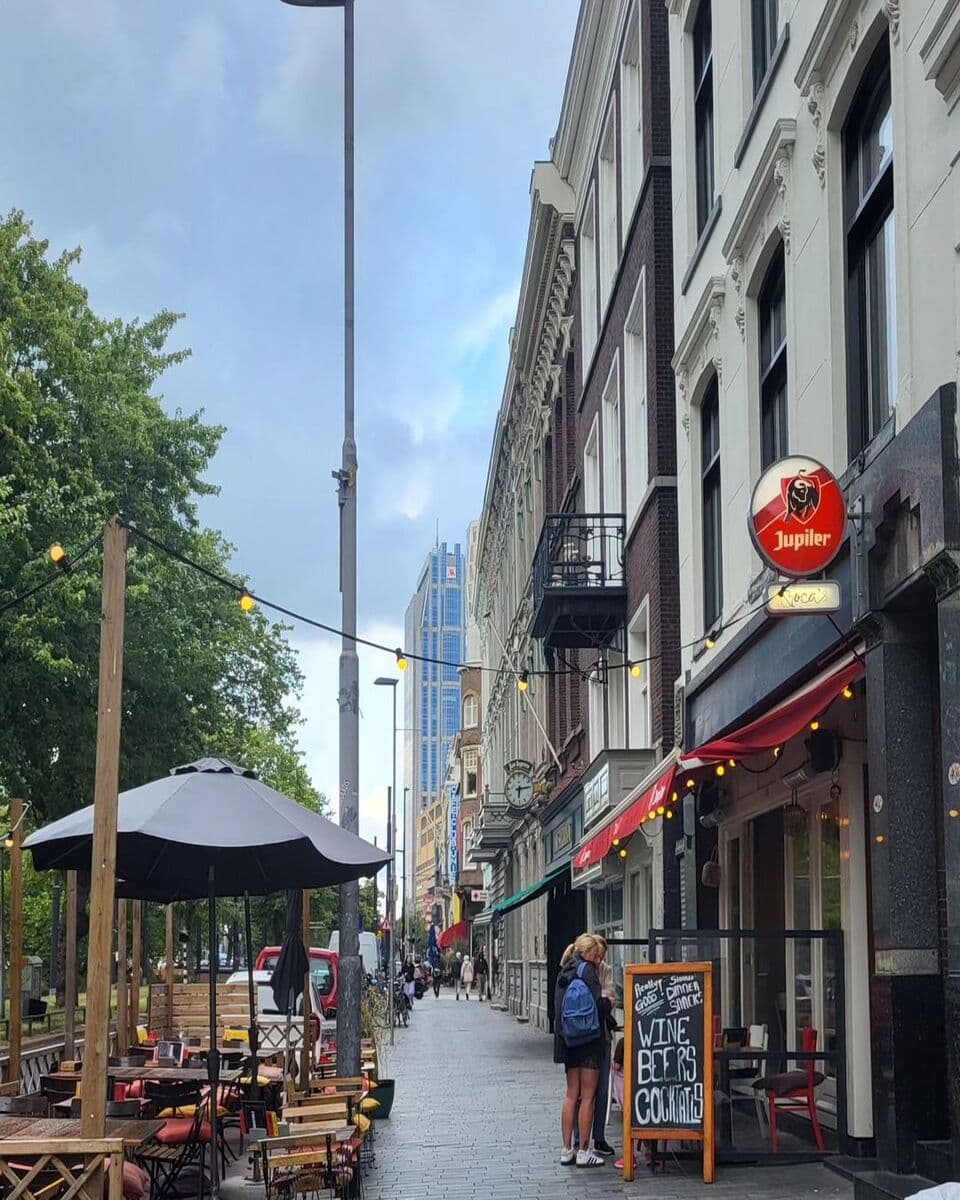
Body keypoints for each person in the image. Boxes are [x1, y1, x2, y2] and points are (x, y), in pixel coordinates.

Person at [554, 933, 607, 1168]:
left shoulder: (564, 970)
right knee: (587, 1097)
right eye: (596, 955)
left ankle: (566, 1150)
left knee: (570, 1095)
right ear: (587, 953)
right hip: (589, 1041)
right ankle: (584, 1151)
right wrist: (609, 1003)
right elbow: (598, 1006)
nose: (598, 959)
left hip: (569, 1041)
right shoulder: (588, 971)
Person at [574, 957, 618, 1156]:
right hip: (581, 1036)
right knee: (581, 1092)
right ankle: (579, 1140)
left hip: (602, 1036)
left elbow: (610, 997)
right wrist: (599, 1000)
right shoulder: (575, 969)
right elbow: (596, 1001)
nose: (599, 958)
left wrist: (599, 1000)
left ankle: (598, 1137)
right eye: (597, 953)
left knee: (601, 1090)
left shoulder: (603, 969)